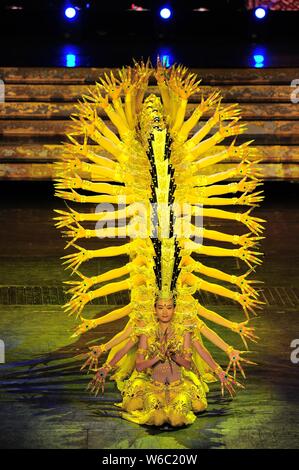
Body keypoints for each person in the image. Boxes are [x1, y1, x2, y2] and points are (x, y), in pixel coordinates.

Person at [87, 295, 241, 427]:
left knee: (177, 419)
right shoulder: (147, 332)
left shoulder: (184, 331)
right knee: (158, 418)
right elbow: (134, 360)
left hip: (179, 386)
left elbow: (195, 356)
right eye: (160, 307)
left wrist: (219, 370)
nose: (165, 312)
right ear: (154, 309)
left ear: (174, 309)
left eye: (168, 307)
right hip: (153, 386)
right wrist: (106, 366)